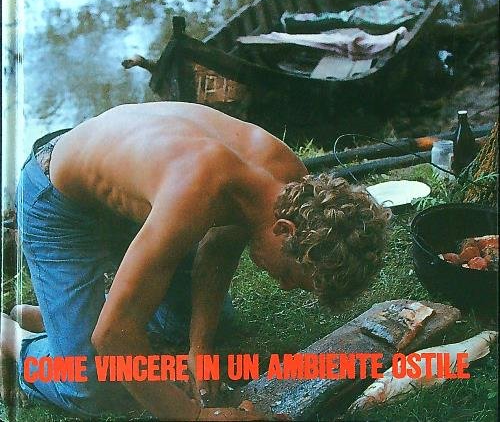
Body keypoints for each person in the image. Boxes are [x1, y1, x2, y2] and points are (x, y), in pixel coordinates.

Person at [1, 102, 390, 420]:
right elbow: (113, 335)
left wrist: (199, 349)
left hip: (139, 200)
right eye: (290, 274)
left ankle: (65, 318)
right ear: (284, 230)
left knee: (197, 325)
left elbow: (218, 249)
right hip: (59, 203)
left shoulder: (286, 182)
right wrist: (195, 416)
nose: (284, 286)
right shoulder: (195, 190)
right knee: (91, 386)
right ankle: (14, 338)